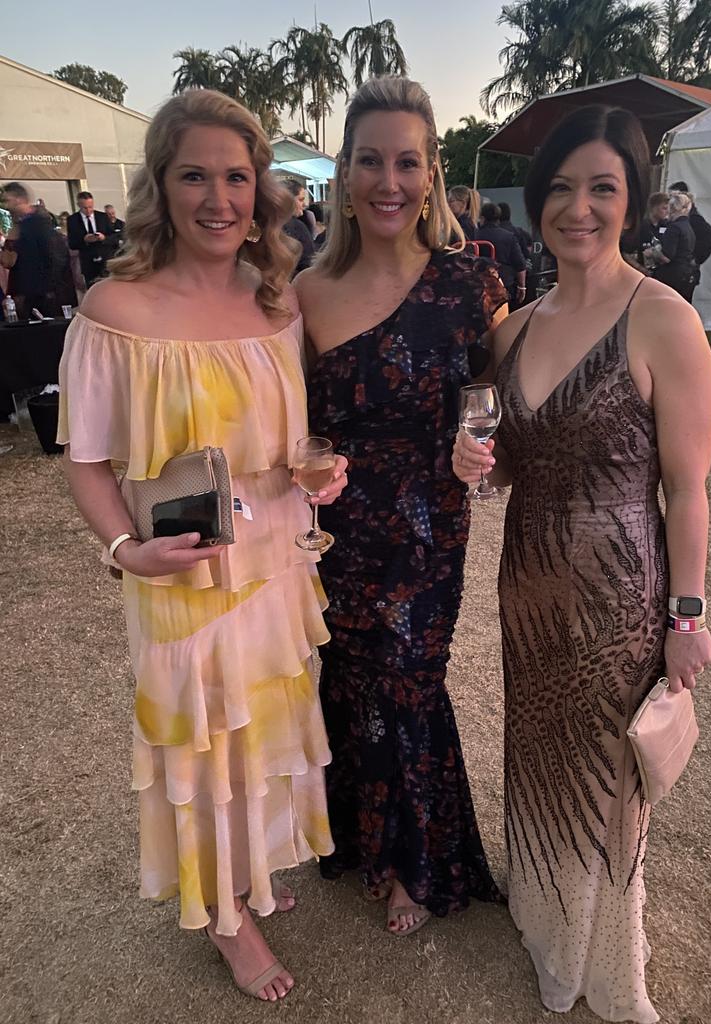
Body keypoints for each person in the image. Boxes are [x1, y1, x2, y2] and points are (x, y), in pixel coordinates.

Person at [56, 89, 348, 1003]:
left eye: (236, 176)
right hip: (182, 578)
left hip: (277, 570)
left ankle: (249, 870)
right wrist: (121, 552)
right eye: (195, 176)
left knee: (258, 732)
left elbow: (282, 445)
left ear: (260, 188)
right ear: (160, 186)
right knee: (200, 746)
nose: (219, 197)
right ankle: (224, 916)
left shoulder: (277, 301)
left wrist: (312, 478)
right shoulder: (115, 308)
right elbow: (89, 462)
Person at [453, 104, 711, 1022]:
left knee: (608, 784)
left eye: (602, 187)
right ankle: (542, 914)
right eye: (561, 188)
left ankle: (605, 966)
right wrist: (474, 465)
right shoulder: (510, 328)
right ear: (537, 202)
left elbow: (687, 490)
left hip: (619, 602)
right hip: (527, 589)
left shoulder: (665, 320)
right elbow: (507, 465)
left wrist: (687, 618)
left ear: (633, 200)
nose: (579, 207)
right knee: (538, 756)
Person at [295, 76, 507, 936]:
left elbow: (498, 407)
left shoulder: (471, 285)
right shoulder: (306, 293)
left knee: (412, 682)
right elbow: (291, 428)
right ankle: (356, 842)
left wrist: (481, 453)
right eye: (371, 160)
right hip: (339, 530)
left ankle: (416, 864)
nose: (390, 180)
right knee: (346, 682)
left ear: (431, 174)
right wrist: (302, 472)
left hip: (429, 530)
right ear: (345, 172)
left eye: (407, 162)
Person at [0, 181, 59, 318]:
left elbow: (51, 256)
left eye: (8, 201)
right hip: (25, 292)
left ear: (19, 199)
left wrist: (47, 288)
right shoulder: (20, 224)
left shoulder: (38, 223)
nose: (6, 206)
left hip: (39, 293)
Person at [476, 202, 527, 307]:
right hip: (504, 284)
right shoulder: (509, 237)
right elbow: (520, 264)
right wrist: (522, 287)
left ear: (482, 218)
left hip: (478, 285)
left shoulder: (473, 235)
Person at [653, 190, 697, 301]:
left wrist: (653, 252)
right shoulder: (688, 227)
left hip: (672, 276)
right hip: (686, 275)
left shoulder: (674, 228)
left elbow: (667, 257)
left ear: (673, 208)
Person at [67, 191, 118, 286]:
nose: (88, 210)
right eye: (85, 208)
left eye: (90, 207)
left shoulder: (102, 217)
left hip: (104, 260)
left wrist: (103, 238)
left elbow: (114, 237)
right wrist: (84, 240)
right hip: (88, 262)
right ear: (78, 205)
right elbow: (72, 243)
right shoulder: (72, 220)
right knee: (91, 288)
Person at [668, 180, 711, 268]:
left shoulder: (693, 218)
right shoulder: (674, 216)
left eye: (674, 197)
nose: (671, 201)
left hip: (684, 267)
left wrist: (697, 259)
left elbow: (709, 235)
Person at [282, 179, 314, 275]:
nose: (304, 204)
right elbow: (308, 262)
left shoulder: (265, 224)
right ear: (288, 199)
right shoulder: (296, 226)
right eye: (300, 199)